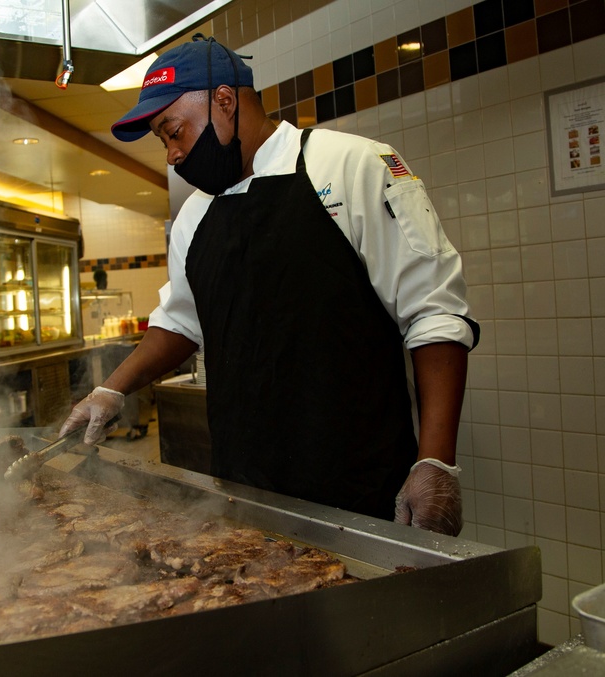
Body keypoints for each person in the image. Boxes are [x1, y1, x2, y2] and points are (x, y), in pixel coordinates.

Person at [59, 35, 479, 537]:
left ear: (224, 101)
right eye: (162, 140)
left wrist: (435, 461)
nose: (171, 155)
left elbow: (433, 314)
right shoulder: (195, 215)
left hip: (359, 489)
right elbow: (179, 321)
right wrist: (112, 389)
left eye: (174, 131)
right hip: (242, 489)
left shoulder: (349, 167)